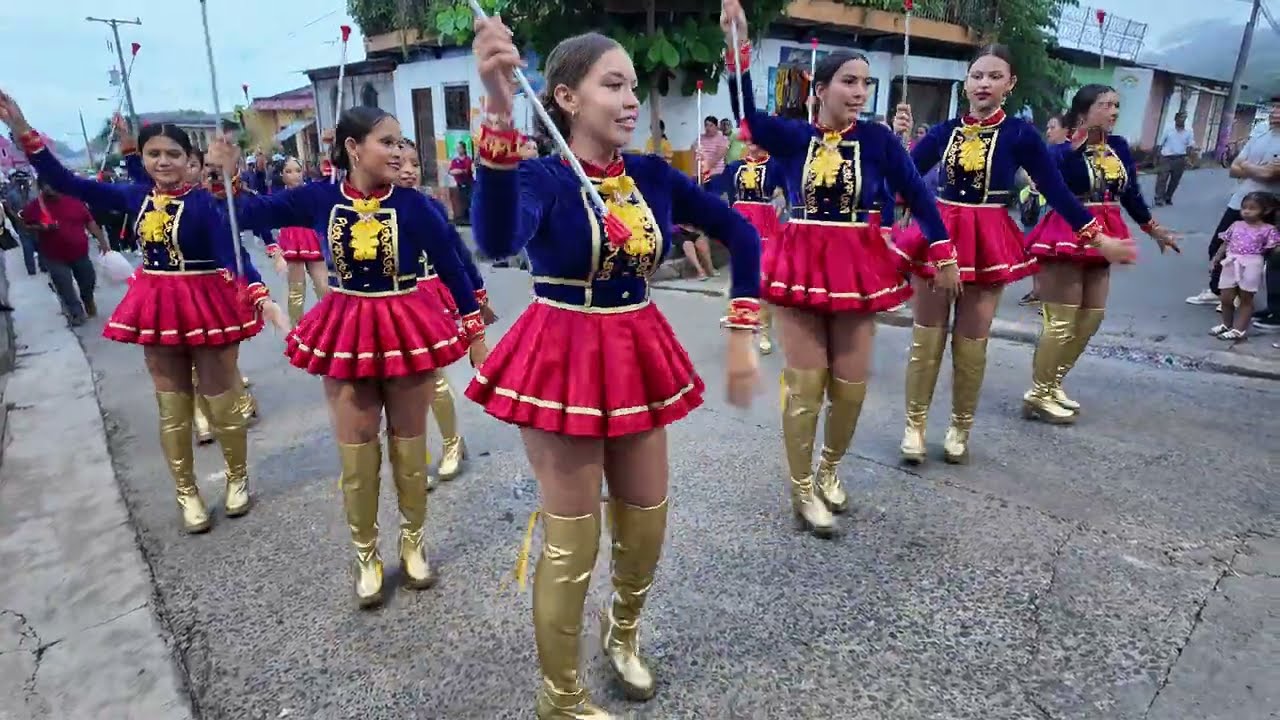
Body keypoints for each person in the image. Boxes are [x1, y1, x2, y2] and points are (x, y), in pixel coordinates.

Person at [470, 23, 761, 718]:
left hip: (636, 352)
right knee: (574, 543)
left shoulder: (655, 175)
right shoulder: (542, 176)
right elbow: (496, 239)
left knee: (647, 524)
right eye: (613, 85)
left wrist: (745, 327)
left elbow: (742, 232)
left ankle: (622, 631)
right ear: (565, 97)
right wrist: (498, 111)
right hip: (562, 355)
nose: (631, 100)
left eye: (633, 85)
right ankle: (559, 695)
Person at [220, 106, 489, 608]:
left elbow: (454, 265)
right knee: (357, 450)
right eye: (386, 142)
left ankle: (412, 544)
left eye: (398, 143)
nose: (397, 152)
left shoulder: (415, 206)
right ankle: (366, 554)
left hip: (407, 326)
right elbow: (247, 215)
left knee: (410, 448)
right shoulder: (319, 197)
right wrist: (228, 175)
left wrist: (474, 331)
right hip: (347, 328)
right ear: (353, 148)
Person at [0, 89, 288, 535]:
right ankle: (186, 492)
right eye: (154, 153)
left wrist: (258, 294)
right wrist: (22, 129)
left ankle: (237, 478)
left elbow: (230, 252)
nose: (163, 161)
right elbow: (67, 180)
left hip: (206, 302)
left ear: (189, 158)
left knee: (222, 400)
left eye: (173, 153)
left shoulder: (206, 204)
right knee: (172, 408)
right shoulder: (135, 196)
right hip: (157, 306)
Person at [722, 0, 953, 535]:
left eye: (865, 84)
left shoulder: (878, 142)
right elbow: (748, 120)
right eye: (849, 81)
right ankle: (801, 489)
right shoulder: (791, 137)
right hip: (800, 261)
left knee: (850, 387)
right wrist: (738, 48)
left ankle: (828, 470)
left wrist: (944, 250)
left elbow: (919, 196)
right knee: (807, 386)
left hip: (856, 265)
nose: (858, 92)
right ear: (820, 89)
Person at [890, 47, 1130, 464]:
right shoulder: (944, 131)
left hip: (987, 240)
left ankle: (959, 428)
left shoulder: (1021, 135)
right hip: (938, 237)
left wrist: (1097, 238)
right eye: (977, 75)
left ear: (1009, 84)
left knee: (972, 344)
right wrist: (897, 139)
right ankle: (914, 426)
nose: (984, 83)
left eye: (994, 76)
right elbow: (902, 177)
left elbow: (1055, 190)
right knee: (925, 340)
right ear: (966, 82)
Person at [1020, 84, 1179, 423]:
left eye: (1117, 105)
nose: (1114, 112)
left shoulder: (1118, 146)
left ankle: (1053, 383)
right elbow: (1047, 182)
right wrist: (1072, 149)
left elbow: (1131, 194)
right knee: (1061, 321)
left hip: (1107, 230)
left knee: (1091, 318)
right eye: (1106, 105)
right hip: (1067, 230)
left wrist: (1155, 230)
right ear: (1083, 111)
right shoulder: (1061, 149)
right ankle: (1037, 393)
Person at [398, 138, 495, 486]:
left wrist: (476, 292)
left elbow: (456, 255)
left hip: (426, 299)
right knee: (398, 384)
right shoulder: (372, 211)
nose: (408, 171)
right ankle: (413, 455)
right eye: (400, 164)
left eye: (414, 164)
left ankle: (453, 443)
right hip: (388, 307)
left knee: (431, 377)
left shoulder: (431, 208)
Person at [1186, 100, 1280, 318]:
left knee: (1253, 253)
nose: (1275, 113)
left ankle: (1239, 295)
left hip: (1267, 204)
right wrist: (1251, 168)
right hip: (1240, 200)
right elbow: (1234, 168)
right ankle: (1218, 290)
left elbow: (1269, 175)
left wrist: (1246, 166)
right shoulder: (1261, 135)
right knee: (1218, 245)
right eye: (1274, 108)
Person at [717, 130, 789, 354]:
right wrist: (706, 165)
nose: (753, 147)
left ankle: (765, 331)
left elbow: (790, 191)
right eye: (749, 142)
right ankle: (742, 325)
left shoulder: (776, 166)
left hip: (766, 223)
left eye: (757, 142)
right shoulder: (735, 167)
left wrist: (782, 200)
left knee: (762, 278)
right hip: (741, 221)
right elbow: (720, 189)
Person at [20, 179, 110, 326]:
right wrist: (41, 227)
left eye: (52, 185)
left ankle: (88, 299)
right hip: (53, 255)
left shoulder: (74, 202)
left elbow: (90, 222)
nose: (49, 189)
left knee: (88, 279)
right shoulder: (36, 206)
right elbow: (24, 224)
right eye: (45, 186)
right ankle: (76, 313)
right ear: (41, 188)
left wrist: (103, 242)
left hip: (79, 253)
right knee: (64, 285)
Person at [262, 157, 327, 327]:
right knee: (297, 289)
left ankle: (330, 325)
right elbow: (264, 223)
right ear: (282, 176)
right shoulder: (278, 197)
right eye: (289, 171)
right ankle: (296, 329)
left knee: (324, 286)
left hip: (313, 238)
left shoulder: (313, 192)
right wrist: (275, 251)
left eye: (298, 171)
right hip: (291, 240)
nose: (295, 175)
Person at [1209, 191, 1279, 340]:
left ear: (1265, 210)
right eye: (1244, 207)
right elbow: (1226, 242)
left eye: (1252, 208)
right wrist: (1216, 258)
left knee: (1246, 298)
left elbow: (1273, 249)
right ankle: (1226, 324)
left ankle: (1239, 329)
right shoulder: (1236, 225)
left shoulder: (1268, 230)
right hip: (1231, 261)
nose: (1246, 211)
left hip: (1252, 263)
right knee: (1225, 298)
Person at [3, 169, 42, 274]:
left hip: (34, 223)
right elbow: (9, 208)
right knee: (28, 246)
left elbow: (40, 206)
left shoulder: (33, 192)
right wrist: (17, 218)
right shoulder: (13, 194)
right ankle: (33, 269)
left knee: (38, 245)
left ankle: (41, 267)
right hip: (23, 224)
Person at [1153, 112, 1194, 206]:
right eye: (1181, 118)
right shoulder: (1169, 128)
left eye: (1184, 118)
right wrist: (1156, 157)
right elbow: (1160, 142)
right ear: (1176, 119)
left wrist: (1189, 158)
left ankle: (1168, 197)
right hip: (1166, 157)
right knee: (1162, 178)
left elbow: (1190, 145)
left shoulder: (1189, 130)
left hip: (1180, 158)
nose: (1183, 120)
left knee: (1175, 180)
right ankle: (1159, 198)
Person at [448, 141, 474, 223]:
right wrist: (457, 171)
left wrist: (458, 170)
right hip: (459, 184)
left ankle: (471, 219)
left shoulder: (468, 160)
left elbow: (465, 171)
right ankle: (463, 219)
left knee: (469, 201)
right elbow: (450, 171)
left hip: (468, 184)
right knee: (461, 202)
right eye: (457, 148)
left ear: (463, 149)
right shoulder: (455, 160)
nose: (458, 149)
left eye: (460, 148)